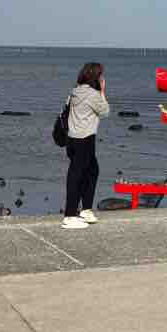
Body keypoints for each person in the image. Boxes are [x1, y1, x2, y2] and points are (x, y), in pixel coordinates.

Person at [62, 62, 110, 228]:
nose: (102, 78)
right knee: (76, 176)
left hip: (72, 139)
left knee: (91, 171)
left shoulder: (75, 91)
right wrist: (102, 91)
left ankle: (86, 210)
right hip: (85, 139)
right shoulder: (93, 95)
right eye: (100, 75)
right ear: (95, 77)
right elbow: (105, 111)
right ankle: (70, 215)